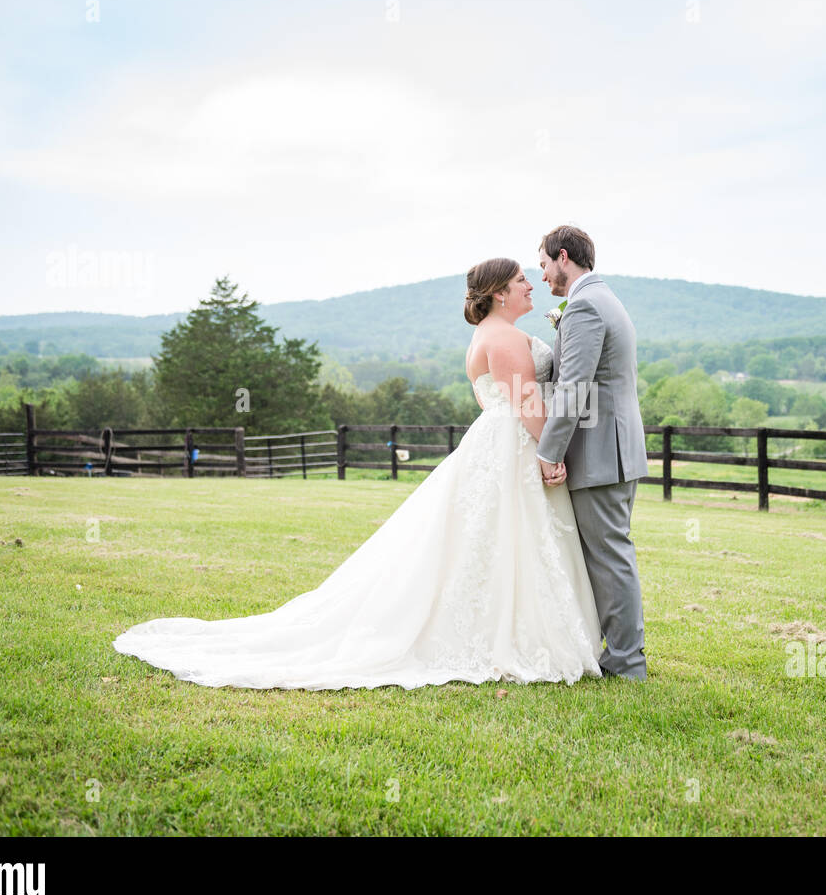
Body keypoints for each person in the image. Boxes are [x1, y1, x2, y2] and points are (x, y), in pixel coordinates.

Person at [113, 257, 604, 690]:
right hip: (512, 445)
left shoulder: (484, 337)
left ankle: (497, 623)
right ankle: (510, 635)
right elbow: (524, 402)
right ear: (500, 293)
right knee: (502, 539)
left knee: (483, 541)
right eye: (522, 280)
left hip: (490, 442)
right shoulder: (506, 337)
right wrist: (549, 451)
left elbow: (488, 398)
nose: (529, 286)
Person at [536, 225, 650, 680]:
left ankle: (626, 662)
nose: (542, 275)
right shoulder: (605, 298)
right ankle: (618, 653)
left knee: (609, 556)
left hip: (602, 452)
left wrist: (549, 451)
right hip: (615, 447)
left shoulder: (583, 305)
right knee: (609, 553)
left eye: (543, 264)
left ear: (563, 257)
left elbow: (574, 388)